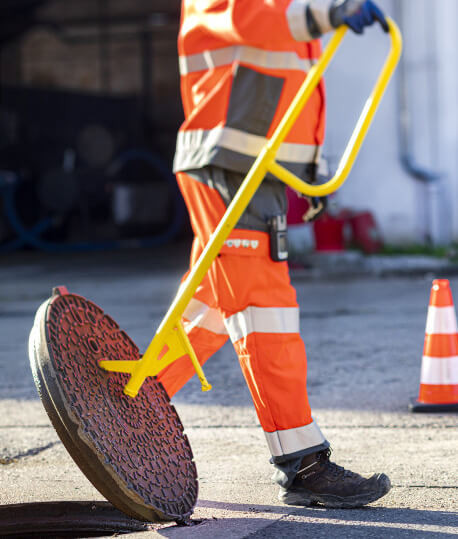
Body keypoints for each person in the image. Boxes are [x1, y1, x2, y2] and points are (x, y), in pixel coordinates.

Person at [157, 0, 391, 508]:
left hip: (252, 166)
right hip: (226, 161)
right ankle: (303, 464)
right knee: (265, 310)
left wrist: (311, 169)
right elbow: (248, 19)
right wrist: (328, 12)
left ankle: (138, 396)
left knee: (213, 305)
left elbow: (296, 90)